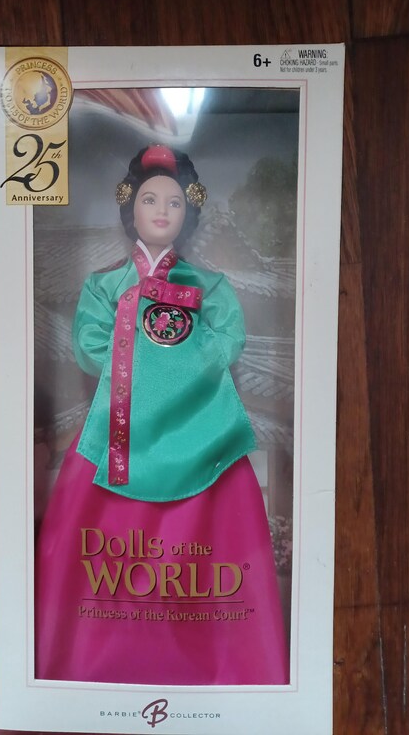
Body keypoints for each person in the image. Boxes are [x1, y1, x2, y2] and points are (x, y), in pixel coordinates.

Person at [35, 145, 289, 685]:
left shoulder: (209, 285)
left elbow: (228, 341)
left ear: (187, 213)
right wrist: (152, 367)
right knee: (104, 561)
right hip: (116, 430)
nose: (161, 211)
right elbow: (90, 347)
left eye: (173, 203)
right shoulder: (105, 285)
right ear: (131, 207)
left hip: (200, 433)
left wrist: (172, 371)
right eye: (150, 199)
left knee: (208, 562)